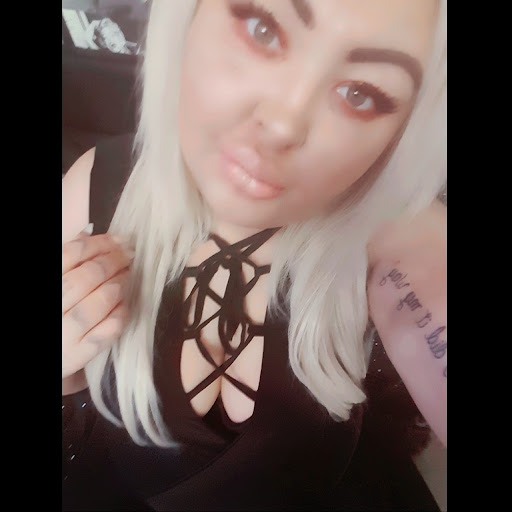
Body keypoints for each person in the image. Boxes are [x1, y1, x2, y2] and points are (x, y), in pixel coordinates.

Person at [62, 1, 447, 510]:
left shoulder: (389, 245)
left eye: (361, 93)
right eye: (262, 28)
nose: (285, 123)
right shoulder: (94, 188)